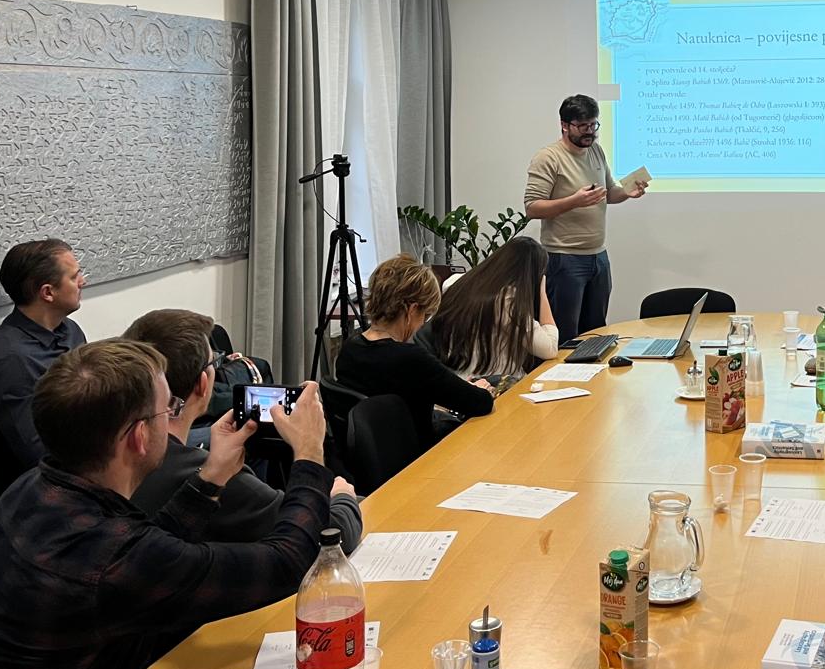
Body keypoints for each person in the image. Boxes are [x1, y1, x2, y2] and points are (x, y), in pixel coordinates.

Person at [0, 340, 334, 669]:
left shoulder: (31, 489)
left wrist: (212, 477)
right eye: (169, 408)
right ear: (139, 436)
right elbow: (289, 562)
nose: (173, 416)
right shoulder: (108, 555)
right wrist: (309, 453)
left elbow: (147, 554)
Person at [124, 308, 363, 551]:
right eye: (216, 362)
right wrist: (338, 493)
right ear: (203, 384)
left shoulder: (114, 460)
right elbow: (332, 534)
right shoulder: (218, 482)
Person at [523, 93, 647, 343]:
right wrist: (574, 201)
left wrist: (627, 193)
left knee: (596, 333)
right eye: (582, 126)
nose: (590, 132)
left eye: (593, 124)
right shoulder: (548, 158)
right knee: (565, 337)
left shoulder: (596, 152)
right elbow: (532, 207)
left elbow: (608, 193)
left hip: (598, 257)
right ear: (564, 125)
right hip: (563, 259)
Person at [337, 253, 495, 447]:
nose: (422, 323)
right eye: (425, 315)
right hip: (420, 453)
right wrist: (479, 390)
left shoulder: (349, 350)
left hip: (379, 453)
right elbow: (480, 403)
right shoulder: (410, 358)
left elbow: (398, 392)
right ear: (411, 310)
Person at [0, 238, 87, 471]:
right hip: (49, 476)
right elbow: (38, 454)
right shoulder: (10, 360)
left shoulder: (70, 330)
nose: (82, 281)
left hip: (85, 448)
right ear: (48, 292)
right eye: (74, 277)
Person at [421, 235, 560, 383]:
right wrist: (542, 291)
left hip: (458, 380)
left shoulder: (455, 282)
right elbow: (550, 348)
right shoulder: (506, 300)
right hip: (493, 384)